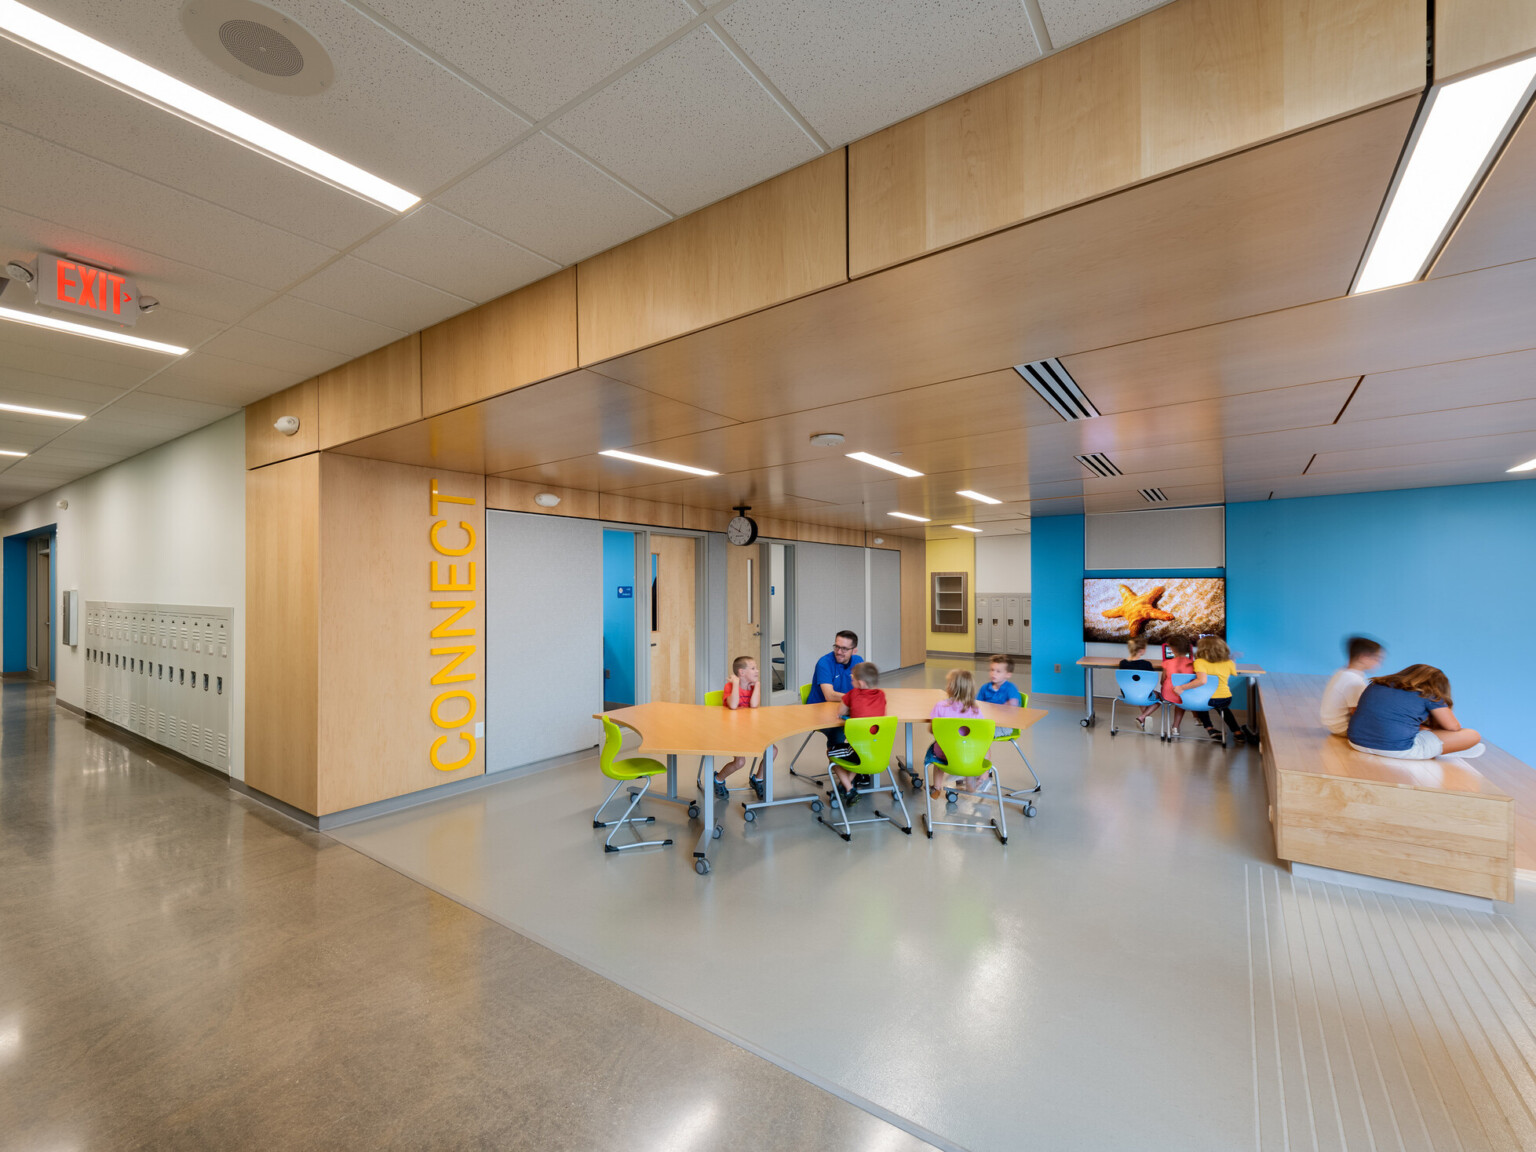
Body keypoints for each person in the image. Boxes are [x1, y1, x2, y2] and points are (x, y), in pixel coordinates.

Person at [1348, 664, 1484, 760]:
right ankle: (1447, 750)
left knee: (1422, 729)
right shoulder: (1429, 693)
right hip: (1397, 750)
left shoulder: (1376, 684)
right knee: (1473, 735)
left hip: (1356, 742)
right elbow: (1453, 727)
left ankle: (1441, 747)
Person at [829, 663, 888, 808]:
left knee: (831, 753)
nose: (851, 679)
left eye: (853, 678)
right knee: (859, 758)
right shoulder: (881, 695)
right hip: (877, 750)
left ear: (860, 683)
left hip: (859, 750)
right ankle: (846, 786)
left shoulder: (853, 694)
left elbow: (841, 712)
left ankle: (849, 789)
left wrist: (851, 711)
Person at [712, 656, 770, 800]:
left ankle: (758, 779)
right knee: (740, 762)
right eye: (753, 668)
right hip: (733, 731)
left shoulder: (753, 687)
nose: (757, 671)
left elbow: (754, 705)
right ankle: (718, 779)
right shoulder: (730, 687)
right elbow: (732, 705)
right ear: (741, 672)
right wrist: (736, 685)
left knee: (772, 751)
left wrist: (757, 686)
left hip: (750, 729)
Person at [926, 668, 985, 799]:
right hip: (968, 754)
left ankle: (936, 787)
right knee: (979, 750)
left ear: (951, 688)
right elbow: (980, 735)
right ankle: (973, 779)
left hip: (945, 753)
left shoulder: (940, 706)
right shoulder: (975, 710)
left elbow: (932, 730)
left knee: (937, 756)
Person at [1188, 636, 1258, 745]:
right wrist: (1232, 659)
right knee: (1224, 710)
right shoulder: (1228, 663)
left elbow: (1201, 681)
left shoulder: (1199, 662)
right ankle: (1237, 732)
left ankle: (1209, 727)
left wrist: (1182, 688)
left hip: (1206, 699)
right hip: (1224, 698)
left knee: (1200, 703)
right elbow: (1234, 673)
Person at [809, 629, 864, 760]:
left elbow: (863, 688)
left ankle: (860, 768)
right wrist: (854, 698)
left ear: (854, 650)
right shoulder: (824, 663)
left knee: (866, 728)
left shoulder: (858, 661)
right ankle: (839, 769)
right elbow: (829, 695)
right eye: (837, 647)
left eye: (844, 649)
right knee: (838, 732)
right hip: (819, 711)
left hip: (844, 709)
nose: (839, 652)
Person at [1320, 636, 1384, 736]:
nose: (1380, 664)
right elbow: (1357, 712)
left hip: (1333, 725)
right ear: (1364, 657)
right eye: (1377, 659)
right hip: (1343, 728)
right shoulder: (1354, 680)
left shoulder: (1342, 672)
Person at [1118, 637, 1160, 730]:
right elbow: (1151, 682)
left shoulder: (1122, 663)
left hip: (1127, 694)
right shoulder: (1146, 664)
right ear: (1141, 650)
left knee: (1139, 693)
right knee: (1158, 697)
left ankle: (1143, 721)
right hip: (1142, 694)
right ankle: (1142, 717)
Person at [1159, 636, 1195, 738]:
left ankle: (1174, 727)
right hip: (1184, 695)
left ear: (1172, 649)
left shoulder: (1167, 663)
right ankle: (1175, 726)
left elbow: (1162, 681)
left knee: (1177, 696)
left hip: (1168, 695)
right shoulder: (1193, 664)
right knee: (1181, 698)